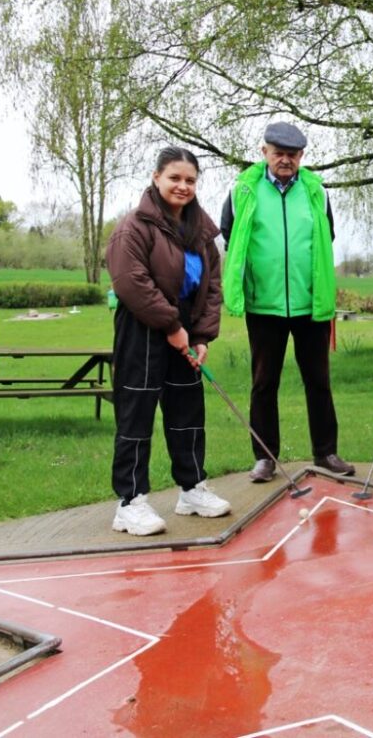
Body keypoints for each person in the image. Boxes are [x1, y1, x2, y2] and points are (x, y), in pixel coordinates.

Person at [105, 147, 231, 536]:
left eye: (190, 180)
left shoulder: (202, 232)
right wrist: (173, 326)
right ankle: (130, 502)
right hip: (143, 331)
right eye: (174, 178)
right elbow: (132, 284)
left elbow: (211, 287)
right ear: (156, 177)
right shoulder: (134, 228)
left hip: (186, 331)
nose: (182, 186)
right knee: (136, 416)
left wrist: (201, 335)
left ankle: (191, 489)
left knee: (187, 415)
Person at [220, 121, 355, 480]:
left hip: (310, 304)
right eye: (278, 153)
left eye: (292, 155)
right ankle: (265, 457)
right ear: (264, 152)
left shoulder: (316, 191)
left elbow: (327, 235)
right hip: (264, 305)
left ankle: (326, 453)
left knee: (319, 381)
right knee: (264, 382)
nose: (285, 160)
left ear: (302, 157)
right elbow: (230, 234)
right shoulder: (243, 190)